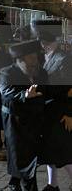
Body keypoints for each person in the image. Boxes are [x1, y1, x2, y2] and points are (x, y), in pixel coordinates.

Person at [0, 40, 49, 191]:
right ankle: (23, 185)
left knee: (29, 158)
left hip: (34, 121)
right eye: (31, 58)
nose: (35, 61)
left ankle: (15, 182)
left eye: (35, 57)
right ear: (20, 59)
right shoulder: (7, 72)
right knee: (19, 156)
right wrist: (24, 95)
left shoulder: (41, 72)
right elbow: (6, 92)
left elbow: (46, 92)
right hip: (15, 123)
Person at [31, 20, 72, 191]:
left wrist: (70, 113)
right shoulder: (45, 57)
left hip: (61, 113)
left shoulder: (65, 59)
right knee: (50, 151)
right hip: (48, 112)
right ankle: (52, 184)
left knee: (63, 153)